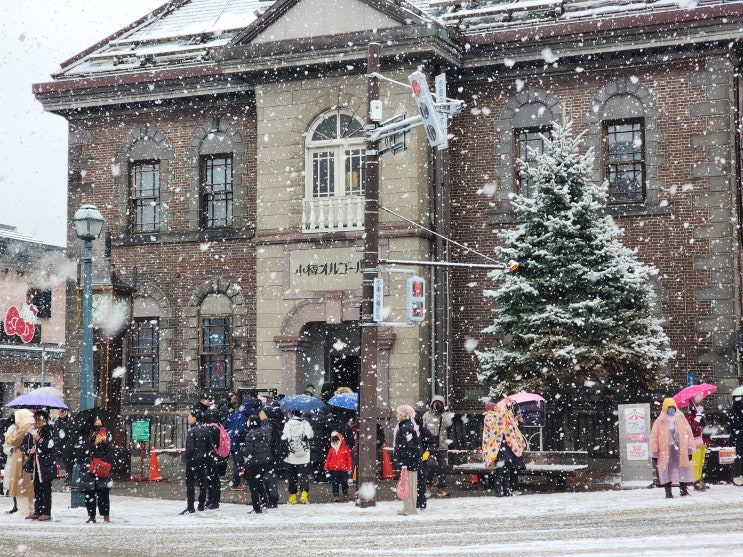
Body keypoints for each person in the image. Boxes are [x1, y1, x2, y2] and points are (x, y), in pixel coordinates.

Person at [650, 397, 695, 498]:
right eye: (669, 408)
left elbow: (688, 433)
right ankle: (668, 490)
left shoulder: (680, 417)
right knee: (667, 469)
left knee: (682, 468)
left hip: (680, 448)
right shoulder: (660, 420)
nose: (671, 410)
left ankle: (683, 488)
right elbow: (654, 437)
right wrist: (654, 452)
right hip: (666, 449)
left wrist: (690, 449)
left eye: (673, 408)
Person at [482, 400, 526, 497]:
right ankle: (499, 491)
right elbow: (499, 418)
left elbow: (507, 420)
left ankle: (506, 490)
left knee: (507, 469)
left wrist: (512, 409)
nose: (497, 408)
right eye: (495, 407)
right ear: (491, 409)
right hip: (497, 446)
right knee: (500, 470)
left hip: (506, 445)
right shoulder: (489, 417)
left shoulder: (499, 416)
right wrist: (506, 407)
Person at [21, 409, 56, 521]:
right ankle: (38, 510)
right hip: (35, 464)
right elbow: (23, 445)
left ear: (45, 420)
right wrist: (29, 450)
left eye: (39, 419)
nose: (36, 421)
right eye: (35, 419)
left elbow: (49, 446)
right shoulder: (32, 432)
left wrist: (39, 439)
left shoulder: (49, 431)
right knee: (37, 488)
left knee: (46, 488)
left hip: (46, 464)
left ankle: (46, 512)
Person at [78, 416, 113, 523]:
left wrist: (105, 442)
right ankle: (91, 515)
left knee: (103, 492)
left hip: (102, 467)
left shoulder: (105, 435)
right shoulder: (86, 436)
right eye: (96, 425)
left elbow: (109, 452)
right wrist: (94, 444)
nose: (98, 427)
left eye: (100, 425)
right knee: (89, 492)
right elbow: (83, 451)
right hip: (89, 467)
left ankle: (106, 515)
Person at [181, 407, 212, 514]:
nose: (188, 418)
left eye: (190, 416)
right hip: (203, 460)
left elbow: (190, 449)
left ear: (195, 418)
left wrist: (186, 458)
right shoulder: (206, 430)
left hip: (193, 461)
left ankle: (190, 506)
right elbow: (209, 446)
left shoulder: (192, 431)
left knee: (190, 484)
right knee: (202, 483)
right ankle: (201, 505)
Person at [3, 409, 35, 516]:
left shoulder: (24, 427)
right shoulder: (32, 425)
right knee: (28, 485)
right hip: (27, 458)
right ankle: (31, 509)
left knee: (20, 484)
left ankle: (23, 510)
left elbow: (15, 441)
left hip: (21, 458)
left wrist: (8, 436)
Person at [241, 414, 273, 514]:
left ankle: (257, 508)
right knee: (259, 482)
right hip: (265, 461)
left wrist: (242, 450)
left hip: (254, 462)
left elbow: (248, 450)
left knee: (253, 486)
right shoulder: (264, 431)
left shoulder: (250, 434)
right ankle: (264, 503)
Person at [393, 404, 421, 516]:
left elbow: (407, 446)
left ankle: (409, 509)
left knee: (408, 485)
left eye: (398, 413)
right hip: (411, 461)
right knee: (409, 485)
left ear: (403, 415)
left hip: (408, 462)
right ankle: (408, 508)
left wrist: (404, 462)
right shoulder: (407, 426)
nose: (396, 415)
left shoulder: (405, 427)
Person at [422, 395, 453, 496]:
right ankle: (428, 486)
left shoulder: (444, 415)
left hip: (442, 445)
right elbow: (423, 428)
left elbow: (449, 424)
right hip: (430, 445)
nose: (437, 405)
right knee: (430, 466)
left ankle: (441, 488)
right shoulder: (427, 415)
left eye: (439, 403)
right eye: (435, 403)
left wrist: (443, 413)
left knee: (442, 467)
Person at [282, 409, 314, 504]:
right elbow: (310, 435)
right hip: (304, 455)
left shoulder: (288, 424)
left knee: (292, 476)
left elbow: (284, 437)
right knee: (304, 475)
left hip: (291, 455)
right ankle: (304, 494)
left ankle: (293, 496)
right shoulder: (305, 423)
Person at [257, 407, 280, 508]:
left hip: (267, 456)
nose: (260, 414)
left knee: (269, 478)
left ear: (267, 415)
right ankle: (271, 499)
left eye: (262, 413)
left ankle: (272, 500)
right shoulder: (270, 424)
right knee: (269, 477)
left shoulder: (267, 426)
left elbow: (266, 441)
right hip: (270, 455)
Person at [202, 407, 224, 510]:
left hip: (212, 456)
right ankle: (212, 500)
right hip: (216, 455)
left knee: (212, 479)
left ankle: (213, 500)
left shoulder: (211, 428)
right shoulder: (218, 426)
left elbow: (209, 443)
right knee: (213, 479)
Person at [224, 404, 249, 490]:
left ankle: (236, 482)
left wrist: (229, 435)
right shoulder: (243, 418)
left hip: (231, 443)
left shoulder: (232, 416)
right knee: (238, 464)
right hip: (238, 443)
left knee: (236, 463)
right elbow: (242, 430)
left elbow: (224, 425)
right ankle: (236, 483)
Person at [685, 399, 708, 491]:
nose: (700, 407)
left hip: (703, 441)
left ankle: (699, 479)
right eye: (698, 405)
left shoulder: (701, 415)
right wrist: (697, 420)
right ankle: (696, 480)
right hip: (695, 442)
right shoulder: (689, 416)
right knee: (696, 462)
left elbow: (705, 429)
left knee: (701, 462)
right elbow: (690, 429)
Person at [324, 431, 353, 502]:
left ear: (339, 441)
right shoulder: (331, 450)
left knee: (344, 482)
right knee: (335, 483)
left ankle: (345, 493)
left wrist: (349, 468)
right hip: (334, 469)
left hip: (343, 469)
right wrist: (326, 467)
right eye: (333, 442)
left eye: (336, 441)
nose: (335, 443)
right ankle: (336, 495)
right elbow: (328, 459)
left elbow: (349, 459)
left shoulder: (345, 449)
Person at [414, 411, 435, 510]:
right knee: (419, 482)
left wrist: (428, 452)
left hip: (422, 460)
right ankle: (418, 502)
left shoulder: (424, 431)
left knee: (421, 482)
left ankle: (420, 503)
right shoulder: (413, 430)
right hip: (416, 459)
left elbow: (432, 443)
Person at [728, 393, 743, 485]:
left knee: (738, 458)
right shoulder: (735, 411)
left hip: (737, 438)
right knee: (737, 458)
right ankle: (737, 477)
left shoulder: (736, 410)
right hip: (737, 439)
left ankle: (738, 476)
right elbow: (735, 424)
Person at [53, 409, 71, 484]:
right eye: (60, 412)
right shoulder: (57, 422)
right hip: (60, 445)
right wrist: (57, 447)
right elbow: (55, 435)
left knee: (68, 464)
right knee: (59, 462)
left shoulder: (70, 421)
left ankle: (69, 478)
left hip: (67, 445)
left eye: (63, 411)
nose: (61, 413)